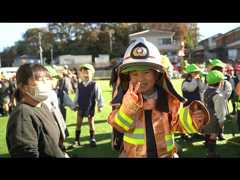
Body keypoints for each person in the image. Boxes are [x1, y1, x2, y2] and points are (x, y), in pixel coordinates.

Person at [107, 37, 209, 158]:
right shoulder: (124, 99)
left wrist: (192, 118)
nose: (140, 78)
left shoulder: (168, 99)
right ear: (128, 77)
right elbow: (119, 125)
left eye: (146, 72)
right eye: (134, 74)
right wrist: (129, 105)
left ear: (157, 74)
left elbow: (177, 124)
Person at [6, 63, 66, 158]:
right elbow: (26, 153)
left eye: (47, 79)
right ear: (23, 87)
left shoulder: (42, 106)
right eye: (41, 80)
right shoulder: (23, 114)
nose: (46, 83)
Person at [74, 64, 104, 147]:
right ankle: (77, 140)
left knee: (91, 123)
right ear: (80, 74)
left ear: (92, 74)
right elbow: (77, 96)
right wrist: (75, 104)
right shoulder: (79, 85)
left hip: (90, 107)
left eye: (87, 72)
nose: (85, 75)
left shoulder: (94, 84)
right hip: (80, 107)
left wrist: (100, 105)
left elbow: (99, 96)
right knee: (78, 123)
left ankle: (92, 139)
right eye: (83, 73)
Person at [203, 70, 227, 157]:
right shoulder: (218, 95)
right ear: (220, 82)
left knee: (208, 132)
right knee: (214, 134)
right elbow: (220, 110)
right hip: (214, 117)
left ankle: (208, 145)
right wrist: (222, 121)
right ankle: (211, 153)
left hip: (206, 115)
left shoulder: (205, 91)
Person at [208, 58, 232, 140]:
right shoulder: (210, 78)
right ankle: (212, 135)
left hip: (220, 101)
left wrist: (223, 96)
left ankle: (220, 133)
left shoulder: (225, 81)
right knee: (215, 119)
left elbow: (228, 91)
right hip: (212, 102)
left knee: (221, 116)